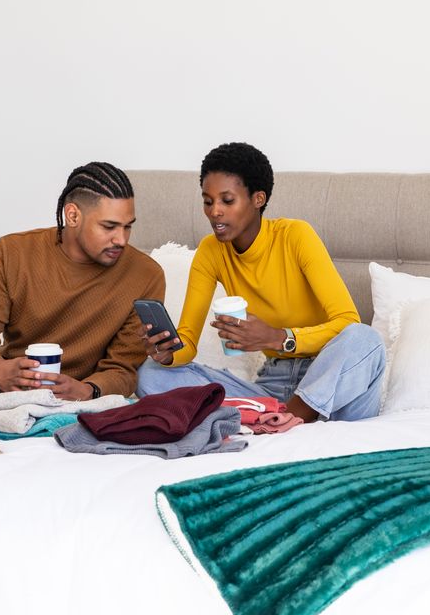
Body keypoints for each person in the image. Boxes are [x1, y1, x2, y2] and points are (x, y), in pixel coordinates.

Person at [0, 162, 164, 427]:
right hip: (10, 389)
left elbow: (123, 368)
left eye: (128, 226)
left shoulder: (146, 274)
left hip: (83, 401)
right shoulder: (13, 253)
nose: (122, 239)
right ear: (73, 216)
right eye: (109, 227)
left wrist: (87, 390)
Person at [137, 142, 384, 422]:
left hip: (332, 381)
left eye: (227, 201)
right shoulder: (210, 251)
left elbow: (346, 320)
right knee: (151, 374)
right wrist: (169, 353)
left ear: (258, 199)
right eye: (208, 201)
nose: (214, 211)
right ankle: (276, 416)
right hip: (271, 388)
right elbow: (188, 341)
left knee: (366, 339)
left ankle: (292, 415)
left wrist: (277, 337)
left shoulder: (295, 236)